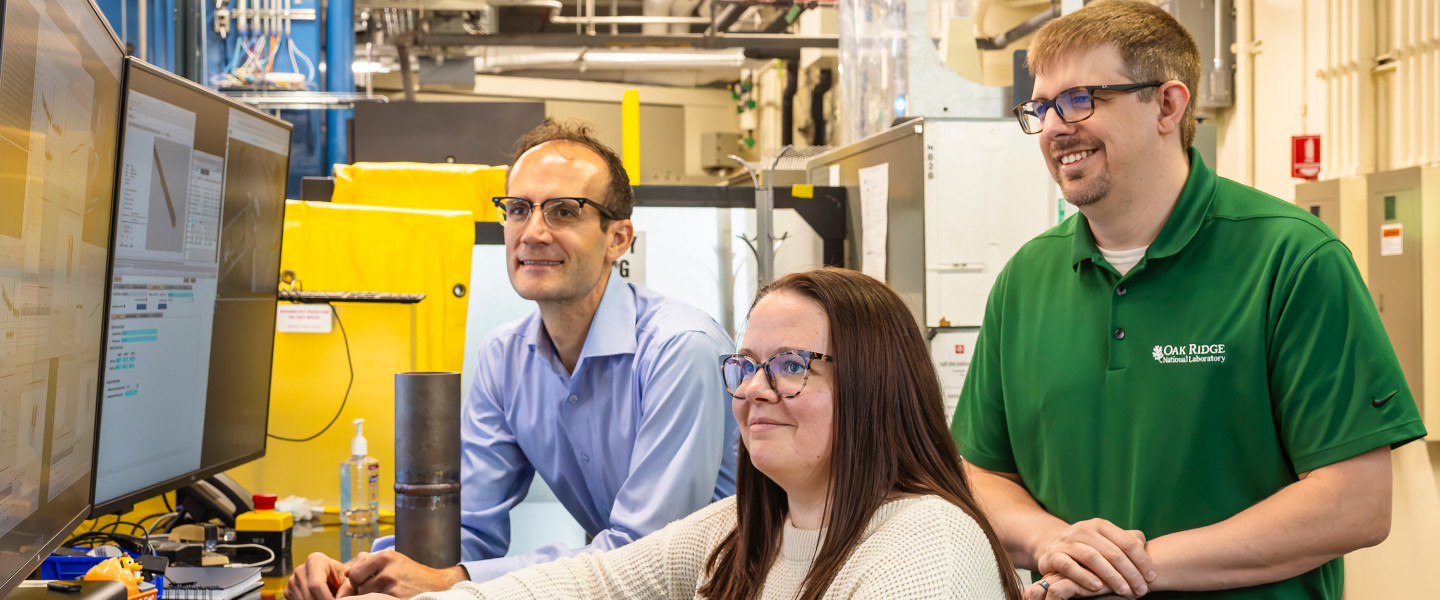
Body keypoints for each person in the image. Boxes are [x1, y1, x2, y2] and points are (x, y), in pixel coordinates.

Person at [951, 2, 1426, 599]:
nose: (1053, 128)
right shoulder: (1025, 279)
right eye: (1041, 108)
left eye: (1079, 100)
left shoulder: (1292, 259)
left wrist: (1132, 568)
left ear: (1168, 106)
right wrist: (1051, 542)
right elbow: (976, 472)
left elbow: (1355, 502)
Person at [346, 268, 1022, 600]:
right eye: (747, 365)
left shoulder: (924, 557)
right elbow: (593, 584)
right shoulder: (747, 526)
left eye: (789, 366)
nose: (755, 388)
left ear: (877, 384)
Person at [285, 120, 739, 600]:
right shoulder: (505, 357)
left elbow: (646, 558)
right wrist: (359, 573)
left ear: (618, 239)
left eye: (565, 211)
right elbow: (467, 532)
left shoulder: (680, 349)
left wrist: (456, 580)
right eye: (519, 209)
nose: (534, 232)